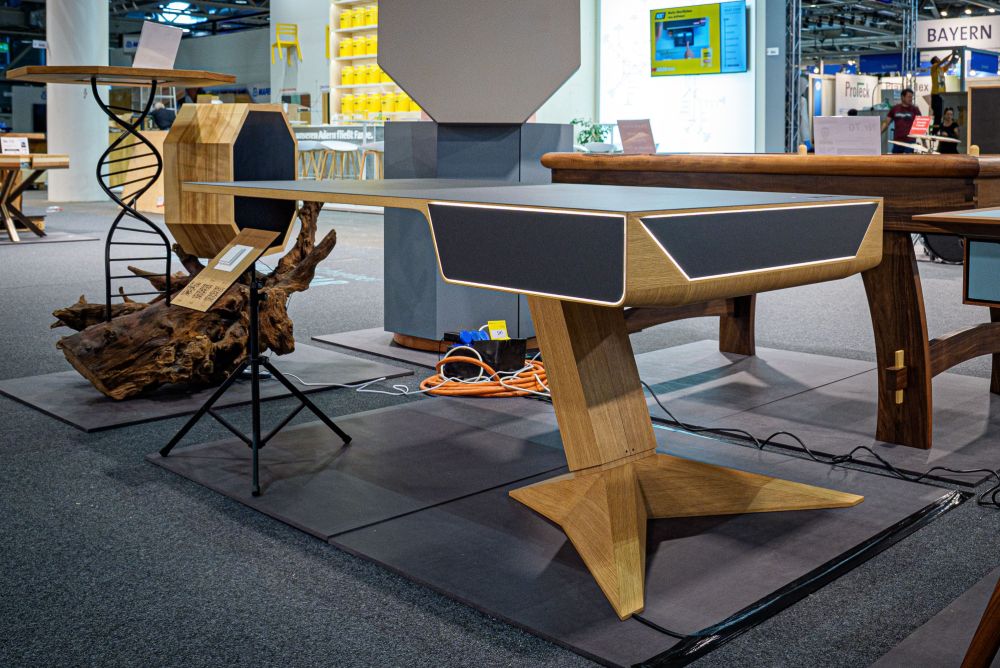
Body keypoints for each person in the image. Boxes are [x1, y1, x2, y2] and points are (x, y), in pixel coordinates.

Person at [881, 88, 920, 154]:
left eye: (911, 97)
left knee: (908, 160)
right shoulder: (895, 109)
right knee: (895, 159)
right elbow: (886, 122)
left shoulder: (915, 109)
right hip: (897, 141)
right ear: (902, 97)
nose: (910, 99)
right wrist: (879, 132)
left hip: (910, 142)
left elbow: (920, 126)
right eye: (909, 97)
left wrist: (924, 142)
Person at [930, 50, 959, 126]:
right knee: (938, 115)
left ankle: (938, 130)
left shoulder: (941, 69)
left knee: (941, 115)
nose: (939, 59)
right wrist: (951, 54)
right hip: (936, 95)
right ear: (934, 61)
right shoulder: (934, 67)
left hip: (941, 95)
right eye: (937, 58)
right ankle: (935, 131)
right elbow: (943, 61)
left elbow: (949, 64)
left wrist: (954, 57)